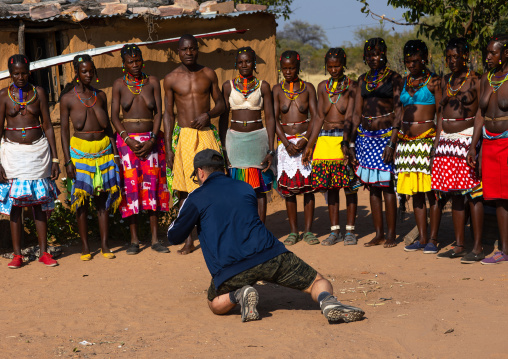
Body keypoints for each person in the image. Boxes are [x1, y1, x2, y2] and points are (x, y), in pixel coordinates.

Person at [166, 149, 365, 323]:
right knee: (318, 281)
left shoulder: (197, 196)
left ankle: (239, 295)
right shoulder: (245, 188)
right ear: (223, 169)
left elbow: (174, 236)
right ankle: (327, 301)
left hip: (231, 269)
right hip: (270, 254)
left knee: (214, 303)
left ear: (200, 172)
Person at [163, 34, 225, 255]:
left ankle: (215, 234)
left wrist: (208, 115)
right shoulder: (170, 79)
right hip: (185, 137)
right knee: (184, 190)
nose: (188, 53)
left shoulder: (208, 74)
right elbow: (168, 114)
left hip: (206, 134)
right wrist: (169, 147)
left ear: (198, 50)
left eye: (192, 49)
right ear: (178, 52)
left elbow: (221, 104)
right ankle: (189, 239)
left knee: (213, 186)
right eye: (184, 49)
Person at [0, 54, 60, 268]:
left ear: (30, 72)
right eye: (16, 73)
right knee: (16, 204)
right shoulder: (4, 96)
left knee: (39, 204)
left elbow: (48, 126)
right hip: (13, 155)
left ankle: (44, 252)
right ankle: (17, 255)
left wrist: (55, 158)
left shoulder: (39, 93)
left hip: (38, 154)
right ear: (10, 74)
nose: (20, 77)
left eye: (24, 73)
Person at [60, 54, 122, 261]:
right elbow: (63, 133)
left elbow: (110, 128)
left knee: (102, 199)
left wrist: (114, 153)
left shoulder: (101, 96)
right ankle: (85, 247)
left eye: (90, 71)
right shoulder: (68, 98)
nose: (88, 75)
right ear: (77, 73)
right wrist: (67, 161)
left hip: (103, 151)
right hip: (79, 153)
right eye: (83, 71)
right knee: (81, 200)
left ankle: (104, 245)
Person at [111, 44, 170, 255]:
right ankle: (134, 240)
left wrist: (152, 139)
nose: (135, 65)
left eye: (138, 61)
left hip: (151, 142)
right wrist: (127, 140)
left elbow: (158, 114)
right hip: (128, 144)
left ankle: (155, 239)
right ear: (123, 64)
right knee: (131, 189)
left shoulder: (153, 82)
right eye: (130, 62)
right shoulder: (118, 84)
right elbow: (114, 117)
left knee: (152, 188)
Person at [432, 38, 484, 263]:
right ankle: (459, 244)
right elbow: (440, 114)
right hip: (446, 142)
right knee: (455, 194)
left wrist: (473, 144)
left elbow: (481, 113)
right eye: (449, 57)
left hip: (466, 140)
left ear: (466, 56)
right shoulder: (445, 80)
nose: (453, 61)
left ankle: (478, 246)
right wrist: (436, 142)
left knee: (473, 194)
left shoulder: (476, 80)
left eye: (457, 56)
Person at [302, 48, 360, 245]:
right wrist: (310, 145)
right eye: (330, 66)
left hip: (344, 139)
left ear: (344, 64)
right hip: (325, 140)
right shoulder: (322, 87)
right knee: (330, 188)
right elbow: (318, 117)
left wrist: (347, 144)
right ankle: (335, 231)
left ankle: (350, 231)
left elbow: (351, 116)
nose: (334, 70)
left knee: (350, 187)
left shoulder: (352, 86)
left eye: (337, 66)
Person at [350, 38, 403, 248]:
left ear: (385, 54)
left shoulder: (394, 78)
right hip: (365, 139)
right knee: (372, 188)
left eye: (378, 54)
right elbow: (356, 114)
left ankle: (391, 235)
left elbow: (399, 110)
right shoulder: (362, 80)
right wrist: (351, 143)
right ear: (365, 57)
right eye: (370, 54)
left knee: (387, 186)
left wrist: (392, 142)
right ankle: (378, 233)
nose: (374, 58)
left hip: (385, 139)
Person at [396, 40, 443, 254]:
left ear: (424, 59)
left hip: (427, 140)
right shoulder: (403, 82)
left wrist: (437, 142)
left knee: (430, 192)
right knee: (415, 192)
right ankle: (422, 239)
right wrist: (393, 140)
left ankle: (433, 239)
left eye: (415, 61)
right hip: (406, 143)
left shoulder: (434, 82)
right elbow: (399, 113)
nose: (411, 65)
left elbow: (440, 114)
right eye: (408, 62)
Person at [219, 47, 276, 222]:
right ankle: (241, 226)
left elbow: (270, 118)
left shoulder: (263, 86)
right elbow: (223, 118)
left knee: (259, 189)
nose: (244, 65)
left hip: (257, 140)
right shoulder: (228, 86)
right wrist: (223, 147)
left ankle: (260, 230)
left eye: (248, 61)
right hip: (235, 140)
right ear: (236, 63)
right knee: (237, 189)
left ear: (254, 63)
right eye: (241, 62)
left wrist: (271, 149)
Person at [467, 34, 508, 264]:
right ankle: (504, 250)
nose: (488, 57)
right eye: (487, 52)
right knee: (499, 198)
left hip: (507, 141)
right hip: (489, 143)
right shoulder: (486, 78)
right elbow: (480, 114)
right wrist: (474, 146)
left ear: (506, 54)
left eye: (493, 53)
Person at [273, 51, 319, 246]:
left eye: (292, 68)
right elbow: (273, 120)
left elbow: (316, 117)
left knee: (308, 189)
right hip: (286, 145)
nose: (288, 71)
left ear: (298, 67)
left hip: (304, 144)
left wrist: (306, 140)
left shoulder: (308, 88)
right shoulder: (277, 90)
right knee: (289, 191)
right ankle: (293, 232)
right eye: (284, 68)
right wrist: (285, 142)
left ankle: (308, 231)